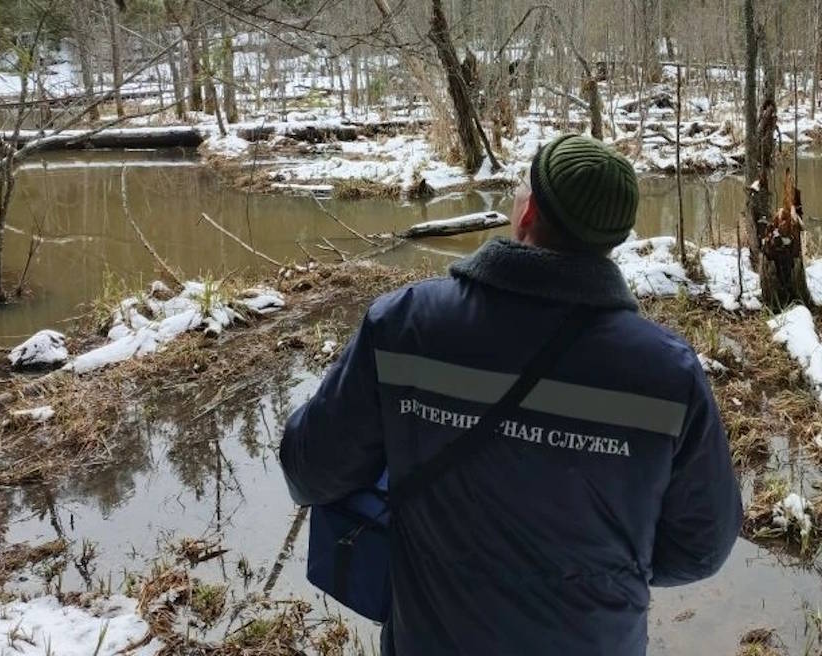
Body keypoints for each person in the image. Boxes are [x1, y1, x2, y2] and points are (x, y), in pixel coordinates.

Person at [280, 134, 742, 656]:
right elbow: (702, 547)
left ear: (528, 212)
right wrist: (600, 564)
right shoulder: (667, 374)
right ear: (611, 239)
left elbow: (310, 469)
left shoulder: (406, 326)